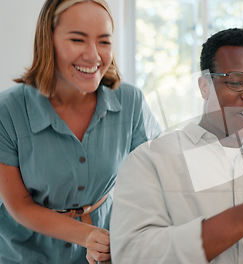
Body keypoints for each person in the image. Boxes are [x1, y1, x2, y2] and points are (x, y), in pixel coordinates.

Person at [110, 27, 243, 263]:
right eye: (237, 82)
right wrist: (241, 219)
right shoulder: (150, 161)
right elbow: (131, 254)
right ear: (205, 86)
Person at [0, 1, 161, 263]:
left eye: (104, 41)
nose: (93, 55)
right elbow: (19, 205)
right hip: (23, 254)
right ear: (48, 41)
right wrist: (86, 235)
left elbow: (158, 175)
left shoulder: (130, 102)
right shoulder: (7, 111)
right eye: (78, 40)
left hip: (104, 253)